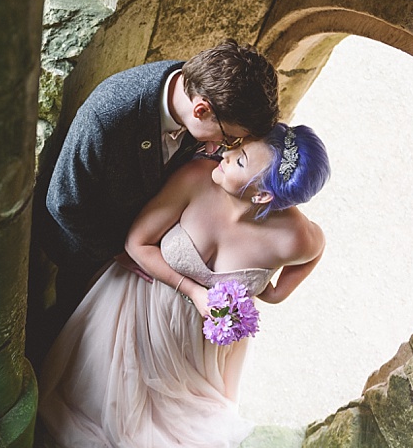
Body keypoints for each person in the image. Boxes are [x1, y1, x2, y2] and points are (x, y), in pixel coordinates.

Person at [37, 124, 330, 448]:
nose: (222, 155)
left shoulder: (296, 237)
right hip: (138, 307)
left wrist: (272, 293)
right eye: (237, 148)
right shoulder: (196, 178)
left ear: (263, 197)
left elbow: (314, 252)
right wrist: (194, 291)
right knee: (99, 407)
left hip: (195, 343)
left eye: (238, 161)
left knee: (176, 425)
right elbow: (136, 243)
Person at [36, 40, 280, 324]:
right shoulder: (109, 114)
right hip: (88, 251)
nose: (224, 148)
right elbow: (63, 202)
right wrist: (119, 251)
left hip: (145, 244)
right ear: (201, 110)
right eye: (228, 137)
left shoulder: (197, 92)